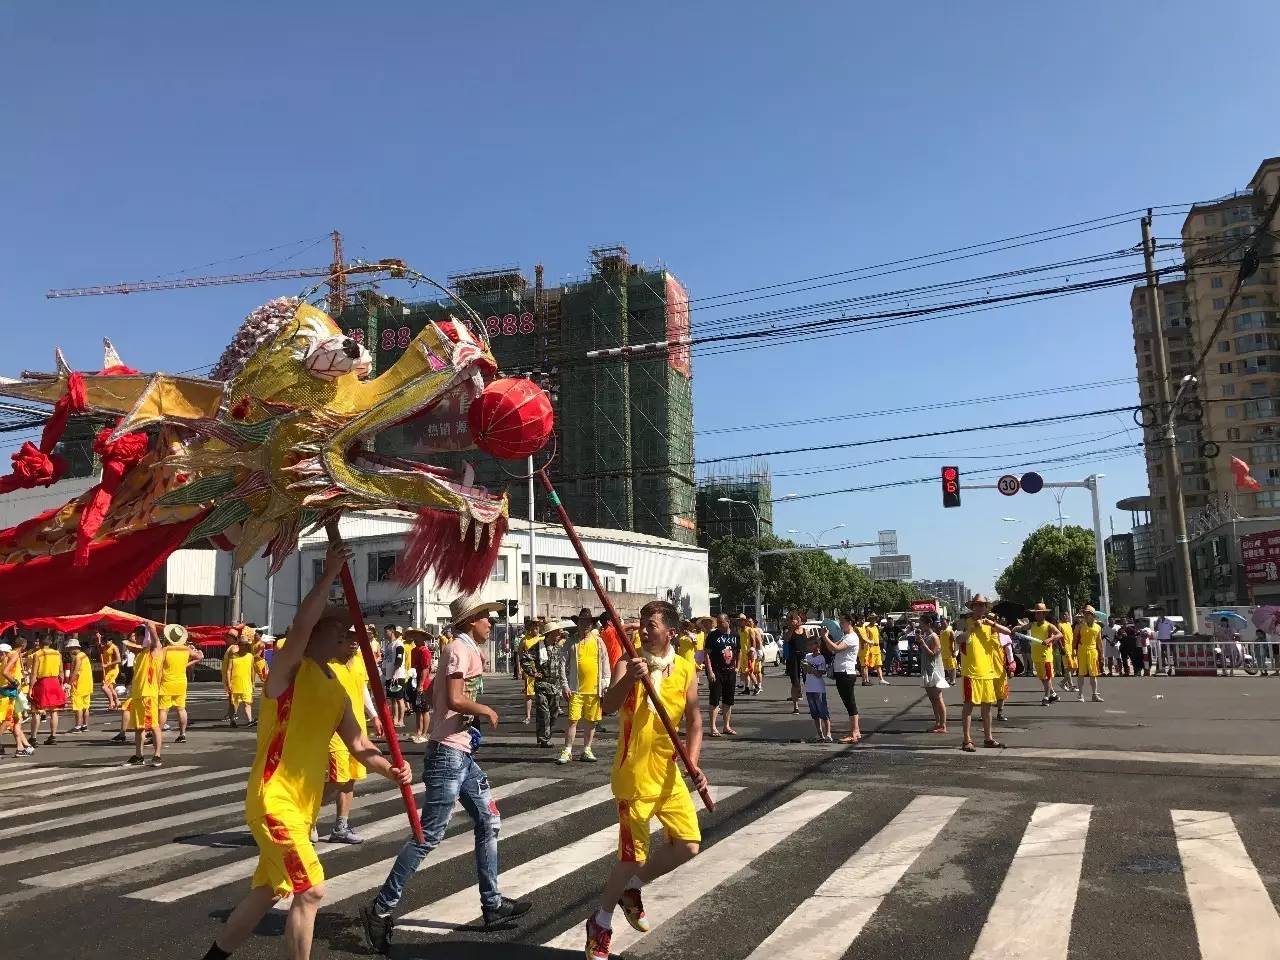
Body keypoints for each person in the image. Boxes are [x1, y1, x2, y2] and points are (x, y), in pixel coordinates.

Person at [202, 546, 410, 960]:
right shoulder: (288, 671)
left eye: (352, 632)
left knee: (266, 892)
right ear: (316, 633)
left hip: (303, 807)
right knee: (311, 890)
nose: (351, 636)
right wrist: (330, 570)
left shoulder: (338, 687)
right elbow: (301, 623)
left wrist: (392, 770)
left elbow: (360, 746)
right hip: (273, 799)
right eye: (340, 629)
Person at [360, 594, 530, 952]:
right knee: (428, 836)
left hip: (462, 753)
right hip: (448, 755)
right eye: (486, 618)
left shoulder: (465, 648)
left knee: (489, 821)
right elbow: (454, 698)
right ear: (471, 621)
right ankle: (380, 909)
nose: (491, 623)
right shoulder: (458, 649)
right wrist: (485, 709)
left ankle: (492, 903)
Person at [582, 599, 707, 960]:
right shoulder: (628, 661)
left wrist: (693, 763)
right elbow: (607, 705)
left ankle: (631, 890)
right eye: (641, 622)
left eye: (651, 624)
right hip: (633, 775)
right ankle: (601, 922)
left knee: (688, 844)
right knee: (632, 856)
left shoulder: (685, 668)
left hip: (668, 774)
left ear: (671, 631)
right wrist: (631, 679)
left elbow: (695, 721)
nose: (643, 628)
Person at [324, 626, 384, 844]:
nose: (355, 640)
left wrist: (374, 715)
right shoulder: (326, 662)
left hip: (357, 727)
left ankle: (341, 825)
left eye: (358, 637)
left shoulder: (358, 660)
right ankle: (306, 819)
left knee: (350, 779)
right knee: (337, 778)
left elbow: (363, 690)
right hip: (333, 732)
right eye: (349, 636)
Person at [956, 595, 1011, 753]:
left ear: (986, 608)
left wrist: (992, 623)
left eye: (983, 606)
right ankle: (967, 740)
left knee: (987, 707)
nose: (980, 608)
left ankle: (988, 738)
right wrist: (972, 629)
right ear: (972, 607)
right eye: (977, 605)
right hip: (971, 672)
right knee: (968, 706)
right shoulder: (964, 622)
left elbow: (1007, 632)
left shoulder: (990, 624)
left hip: (987, 671)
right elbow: (958, 639)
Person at [559, 608, 609, 764]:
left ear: (592, 624)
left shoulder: (599, 642)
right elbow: (562, 664)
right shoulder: (571, 642)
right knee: (572, 720)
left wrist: (605, 682)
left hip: (594, 690)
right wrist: (564, 685)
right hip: (575, 689)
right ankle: (567, 750)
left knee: (591, 721)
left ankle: (587, 749)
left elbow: (605, 663)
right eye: (582, 622)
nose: (585, 625)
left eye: (588, 622)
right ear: (578, 623)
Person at [520, 619, 567, 748]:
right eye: (556, 632)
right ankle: (544, 739)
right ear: (550, 633)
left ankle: (547, 734)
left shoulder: (559, 647)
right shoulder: (538, 647)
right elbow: (524, 659)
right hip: (542, 684)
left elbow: (564, 665)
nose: (559, 634)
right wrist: (533, 673)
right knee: (543, 713)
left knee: (554, 713)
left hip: (555, 686)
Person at [159, 624, 204, 743]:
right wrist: (186, 665)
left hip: (166, 681)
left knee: (163, 710)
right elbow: (199, 657)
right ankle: (182, 734)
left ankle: (157, 734)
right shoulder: (186, 649)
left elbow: (159, 666)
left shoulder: (165, 650)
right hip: (181, 681)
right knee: (181, 709)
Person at [827, 614, 862, 744]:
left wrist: (825, 638)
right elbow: (832, 648)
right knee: (849, 703)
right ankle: (856, 730)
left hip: (846, 672)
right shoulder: (845, 636)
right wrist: (827, 638)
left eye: (842, 622)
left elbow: (836, 648)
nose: (840, 624)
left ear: (849, 622)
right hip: (842, 672)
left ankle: (854, 732)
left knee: (850, 703)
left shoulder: (852, 637)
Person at [704, 613, 739, 737]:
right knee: (714, 700)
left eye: (721, 622)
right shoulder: (713, 635)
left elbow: (738, 651)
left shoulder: (735, 635)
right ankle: (713, 727)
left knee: (728, 701)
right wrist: (710, 671)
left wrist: (737, 667)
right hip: (716, 672)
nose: (718, 625)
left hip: (730, 671)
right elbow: (707, 654)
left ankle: (726, 726)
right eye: (717, 623)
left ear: (728, 622)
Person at [28, 632, 65, 746]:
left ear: (40, 642)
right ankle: (53, 736)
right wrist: (61, 684)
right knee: (54, 711)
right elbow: (61, 672)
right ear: (51, 642)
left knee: (37, 710)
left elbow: (34, 673)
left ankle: (33, 738)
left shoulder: (38, 654)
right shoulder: (57, 653)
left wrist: (30, 688)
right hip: (55, 682)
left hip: (42, 683)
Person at [1022, 603, 1062, 707]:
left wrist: (1050, 638)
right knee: (1042, 677)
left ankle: (1046, 696)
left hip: (1046, 656)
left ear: (1044, 614)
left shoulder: (1049, 625)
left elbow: (1059, 634)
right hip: (1035, 655)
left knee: (1047, 677)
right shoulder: (1032, 624)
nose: (1036, 615)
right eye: (1035, 613)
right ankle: (1053, 694)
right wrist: (1014, 629)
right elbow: (1023, 627)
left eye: (1039, 613)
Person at [916, 612, 949, 733]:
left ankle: (943, 725)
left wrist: (922, 643)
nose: (920, 626)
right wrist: (920, 641)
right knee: (932, 699)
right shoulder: (926, 636)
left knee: (938, 698)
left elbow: (933, 654)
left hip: (935, 670)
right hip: (927, 669)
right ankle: (937, 723)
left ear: (928, 624)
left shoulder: (934, 636)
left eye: (921, 624)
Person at [802, 634, 832, 743]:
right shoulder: (808, 656)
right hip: (809, 688)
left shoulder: (821, 657)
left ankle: (828, 733)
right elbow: (805, 672)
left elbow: (820, 673)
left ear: (817, 645)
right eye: (808, 644)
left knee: (823, 712)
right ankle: (820, 734)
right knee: (814, 713)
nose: (809, 646)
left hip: (818, 688)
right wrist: (805, 667)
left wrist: (810, 668)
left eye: (811, 644)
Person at [407, 628, 433, 744]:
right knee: (417, 709)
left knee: (424, 709)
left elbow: (425, 669)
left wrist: (421, 684)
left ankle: (424, 733)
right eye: (415, 636)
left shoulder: (424, 651)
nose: (416, 638)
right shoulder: (414, 650)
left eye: (418, 636)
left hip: (423, 683)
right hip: (414, 680)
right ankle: (418, 732)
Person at [225, 637, 256, 728]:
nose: (244, 646)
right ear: (239, 645)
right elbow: (228, 670)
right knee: (234, 703)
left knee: (247, 703)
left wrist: (253, 682)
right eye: (242, 644)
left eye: (246, 645)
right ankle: (232, 721)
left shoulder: (250, 656)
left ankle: (250, 720)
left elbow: (252, 670)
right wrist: (229, 682)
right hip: (235, 683)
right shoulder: (233, 656)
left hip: (247, 683)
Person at [65, 637, 93, 733]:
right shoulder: (84, 655)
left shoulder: (78, 658)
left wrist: (69, 683)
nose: (69, 650)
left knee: (78, 707)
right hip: (87, 684)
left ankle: (77, 726)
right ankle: (84, 725)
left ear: (74, 647)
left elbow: (75, 672)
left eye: (70, 648)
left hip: (79, 685)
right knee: (86, 707)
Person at [1076, 606, 1104, 701]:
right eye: (1085, 613)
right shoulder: (1080, 626)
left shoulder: (1098, 627)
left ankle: (1094, 695)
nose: (1086, 615)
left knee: (1093, 674)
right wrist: (1072, 651)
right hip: (1082, 650)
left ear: (1092, 615)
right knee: (1081, 673)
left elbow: (1099, 642)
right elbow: (1075, 639)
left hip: (1093, 651)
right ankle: (1080, 694)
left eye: (1088, 613)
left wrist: (1102, 655)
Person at [781, 611, 807, 713]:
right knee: (795, 682)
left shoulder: (806, 631)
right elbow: (786, 639)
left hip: (804, 657)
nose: (797, 621)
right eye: (796, 619)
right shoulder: (789, 631)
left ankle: (811, 704)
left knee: (808, 681)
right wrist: (792, 629)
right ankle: (796, 706)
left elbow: (811, 643)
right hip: (793, 658)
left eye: (799, 619)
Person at [518, 617, 540, 725]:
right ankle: (528, 716)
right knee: (529, 694)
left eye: (537, 627)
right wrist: (519, 669)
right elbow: (519, 654)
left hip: (541, 670)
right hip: (529, 671)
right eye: (534, 627)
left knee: (542, 694)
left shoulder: (542, 639)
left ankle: (542, 716)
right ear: (530, 628)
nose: (536, 629)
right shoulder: (525, 640)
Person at [994, 623, 1016, 723]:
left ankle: (1000, 713)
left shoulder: (1004, 635)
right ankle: (984, 713)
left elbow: (1009, 652)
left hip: (1000, 668)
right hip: (985, 669)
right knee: (986, 692)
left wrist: (1011, 667)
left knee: (1002, 692)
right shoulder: (981, 633)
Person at [97, 632, 123, 711]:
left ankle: (111, 703)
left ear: (111, 641)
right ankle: (117, 701)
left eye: (108, 641)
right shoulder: (104, 646)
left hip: (113, 670)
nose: (106, 643)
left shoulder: (114, 647)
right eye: (105, 642)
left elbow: (119, 660)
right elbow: (99, 647)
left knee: (104, 686)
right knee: (111, 688)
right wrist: (99, 638)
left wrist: (108, 664)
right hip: (107, 670)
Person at [861, 614, 887, 686]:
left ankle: (881, 679)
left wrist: (881, 647)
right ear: (870, 619)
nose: (874, 620)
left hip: (877, 649)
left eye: (875, 618)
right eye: (872, 618)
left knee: (878, 665)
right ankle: (866, 679)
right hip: (870, 649)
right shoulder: (867, 628)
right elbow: (866, 638)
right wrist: (871, 644)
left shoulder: (876, 627)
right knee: (867, 665)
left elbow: (878, 638)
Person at [1055, 611, 1078, 693]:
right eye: (1063, 615)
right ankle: (1071, 686)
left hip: (1072, 648)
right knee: (1068, 668)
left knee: (1074, 667)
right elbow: (1057, 637)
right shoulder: (1059, 625)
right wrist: (1061, 647)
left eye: (1066, 615)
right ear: (1061, 616)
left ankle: (1062, 682)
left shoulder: (1068, 624)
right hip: (1065, 648)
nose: (1065, 616)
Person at [939, 616, 957, 684]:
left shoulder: (950, 630)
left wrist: (954, 651)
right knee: (947, 668)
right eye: (941, 623)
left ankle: (953, 680)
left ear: (947, 623)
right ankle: (950, 679)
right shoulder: (941, 631)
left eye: (944, 623)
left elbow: (954, 641)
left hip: (950, 652)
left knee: (953, 667)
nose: (942, 624)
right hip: (943, 652)